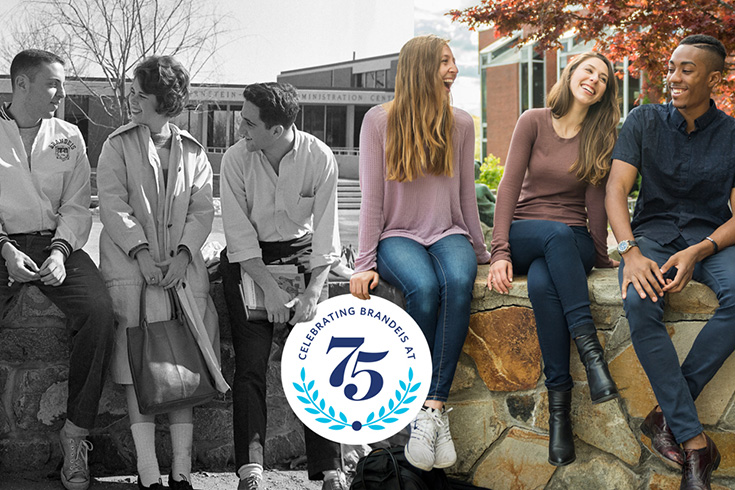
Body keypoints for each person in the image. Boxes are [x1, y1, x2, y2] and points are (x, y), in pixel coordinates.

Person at [349, 34, 490, 472]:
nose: (453, 69)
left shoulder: (462, 124)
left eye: (453, 61)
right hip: (398, 235)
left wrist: (485, 253)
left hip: (449, 231)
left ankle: (432, 409)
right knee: (425, 289)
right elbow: (371, 199)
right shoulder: (378, 121)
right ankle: (416, 401)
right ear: (420, 68)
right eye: (445, 62)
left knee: (458, 281)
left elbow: (467, 196)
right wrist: (363, 264)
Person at [606, 34, 733, 489]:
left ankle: (666, 417)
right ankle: (695, 444)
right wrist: (631, 252)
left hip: (711, 240)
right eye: (672, 67)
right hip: (653, 237)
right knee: (640, 302)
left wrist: (701, 250)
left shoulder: (733, 135)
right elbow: (615, 191)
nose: (673, 78)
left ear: (713, 79)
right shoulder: (642, 121)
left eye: (686, 70)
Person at [488, 52, 620, 466]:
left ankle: (559, 416)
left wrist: (600, 254)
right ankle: (592, 353)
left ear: (603, 93)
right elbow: (508, 188)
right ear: (571, 73)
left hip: (572, 241)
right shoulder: (533, 121)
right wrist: (499, 251)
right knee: (554, 233)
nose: (594, 80)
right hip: (530, 231)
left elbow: (596, 203)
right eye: (589, 71)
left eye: (603, 78)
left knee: (546, 283)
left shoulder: (602, 136)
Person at [97, 55, 223, 490]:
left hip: (182, 277)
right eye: (132, 92)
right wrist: (143, 253)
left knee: (181, 367)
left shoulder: (193, 151)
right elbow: (112, 204)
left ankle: (182, 470)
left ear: (163, 101)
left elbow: (203, 208)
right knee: (139, 367)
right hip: (134, 274)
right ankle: (148, 470)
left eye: (140, 94)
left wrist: (186, 254)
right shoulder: (117, 144)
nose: (132, 100)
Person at [218, 82, 345, 490]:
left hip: (304, 258)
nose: (240, 129)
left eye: (249, 123)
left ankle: (331, 470)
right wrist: (271, 291)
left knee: (316, 363)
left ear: (277, 129)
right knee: (250, 364)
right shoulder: (236, 159)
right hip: (249, 262)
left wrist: (311, 294)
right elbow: (238, 236)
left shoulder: (319, 157)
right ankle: (250, 470)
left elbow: (326, 238)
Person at [0, 49, 115, 490]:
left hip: (55, 243)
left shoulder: (68, 135)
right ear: (21, 84)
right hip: (4, 243)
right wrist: (6, 250)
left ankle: (76, 435)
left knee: (100, 311)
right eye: (53, 84)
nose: (61, 94)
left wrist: (60, 252)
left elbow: (76, 205)